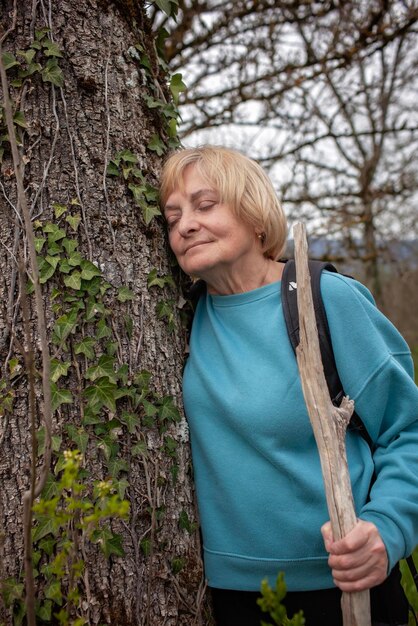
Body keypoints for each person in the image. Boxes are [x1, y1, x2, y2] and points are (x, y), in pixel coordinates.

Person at [159, 145, 418, 626]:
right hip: (224, 596)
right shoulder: (179, 318)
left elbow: (409, 430)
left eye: (205, 204)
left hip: (341, 589)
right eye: (173, 217)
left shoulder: (326, 300)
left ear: (255, 215)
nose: (185, 226)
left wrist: (388, 529)